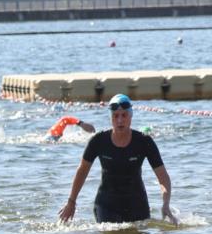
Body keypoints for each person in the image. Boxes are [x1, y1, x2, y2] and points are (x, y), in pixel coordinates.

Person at [58, 94, 177, 225]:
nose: (120, 120)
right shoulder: (98, 141)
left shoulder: (144, 141)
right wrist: (71, 202)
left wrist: (166, 204)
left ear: (131, 116)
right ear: (111, 117)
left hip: (137, 205)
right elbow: (82, 170)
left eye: (124, 115)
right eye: (115, 116)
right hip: (106, 205)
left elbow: (162, 176)